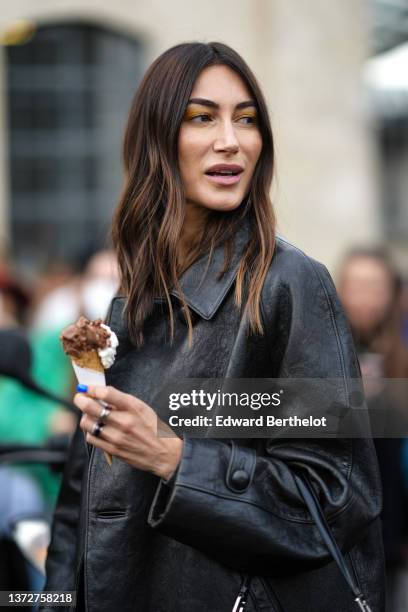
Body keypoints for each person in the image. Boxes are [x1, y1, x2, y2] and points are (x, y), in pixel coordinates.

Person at [40, 42, 385, 612]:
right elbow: (86, 498)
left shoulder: (292, 285)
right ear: (157, 139)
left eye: (246, 120)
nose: (232, 140)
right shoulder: (134, 294)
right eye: (203, 117)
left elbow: (337, 500)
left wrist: (175, 459)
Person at [337, 247, 408, 612]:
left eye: (375, 286)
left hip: (392, 532)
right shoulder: (324, 351)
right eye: (357, 285)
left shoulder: (401, 357)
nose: (365, 296)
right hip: (339, 530)